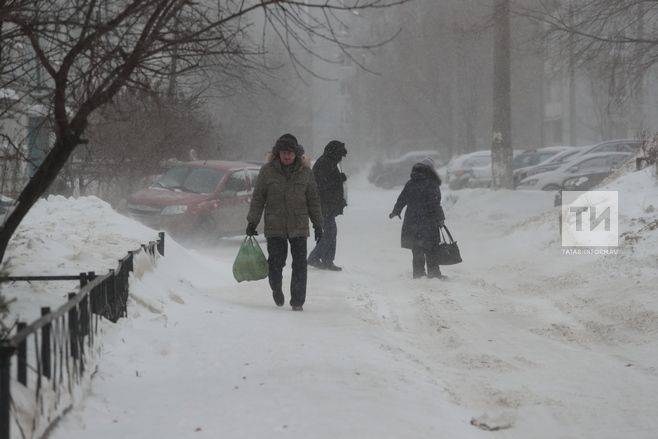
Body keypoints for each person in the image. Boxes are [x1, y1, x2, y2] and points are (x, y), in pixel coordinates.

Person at [246, 134, 323, 311]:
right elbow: (258, 198)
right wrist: (252, 222)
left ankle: (297, 301)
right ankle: (276, 288)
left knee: (299, 265)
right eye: (283, 153)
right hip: (275, 225)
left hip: (299, 225)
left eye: (290, 153)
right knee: (275, 263)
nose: (287, 156)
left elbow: (313, 200)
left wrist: (318, 224)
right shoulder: (267, 171)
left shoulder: (306, 172)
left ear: (296, 153)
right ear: (277, 153)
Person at [388, 157, 446, 279]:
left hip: (412, 221)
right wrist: (440, 219)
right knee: (431, 248)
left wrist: (396, 211)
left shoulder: (410, 183)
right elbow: (435, 204)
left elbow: (402, 199)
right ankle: (434, 273)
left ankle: (418, 273)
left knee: (417, 248)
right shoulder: (431, 184)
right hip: (428, 221)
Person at [307, 140, 348, 271]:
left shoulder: (329, 162)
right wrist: (339, 179)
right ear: (335, 153)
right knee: (329, 234)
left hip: (327, 207)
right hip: (323, 207)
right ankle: (316, 258)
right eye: (340, 155)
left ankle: (327, 260)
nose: (341, 158)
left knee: (330, 233)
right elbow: (322, 186)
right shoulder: (325, 164)